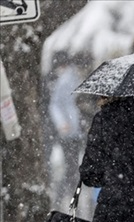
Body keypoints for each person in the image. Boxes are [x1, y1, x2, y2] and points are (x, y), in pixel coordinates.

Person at [47, 50, 85, 209]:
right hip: (69, 131)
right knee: (71, 166)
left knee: (73, 166)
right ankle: (64, 198)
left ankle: (68, 197)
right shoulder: (66, 80)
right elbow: (55, 104)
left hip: (76, 131)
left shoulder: (77, 78)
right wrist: (62, 122)